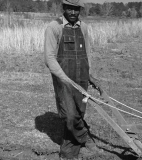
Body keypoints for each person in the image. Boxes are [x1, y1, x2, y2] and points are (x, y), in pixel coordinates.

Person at [44, 0, 103, 159]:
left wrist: (89, 75)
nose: (73, 13)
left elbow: (87, 54)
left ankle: (70, 148)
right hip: (63, 79)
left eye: (76, 9)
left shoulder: (83, 27)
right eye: (69, 8)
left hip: (81, 77)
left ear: (79, 10)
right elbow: (49, 58)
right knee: (69, 115)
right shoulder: (54, 27)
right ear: (63, 8)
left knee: (79, 111)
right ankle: (84, 136)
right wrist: (65, 79)